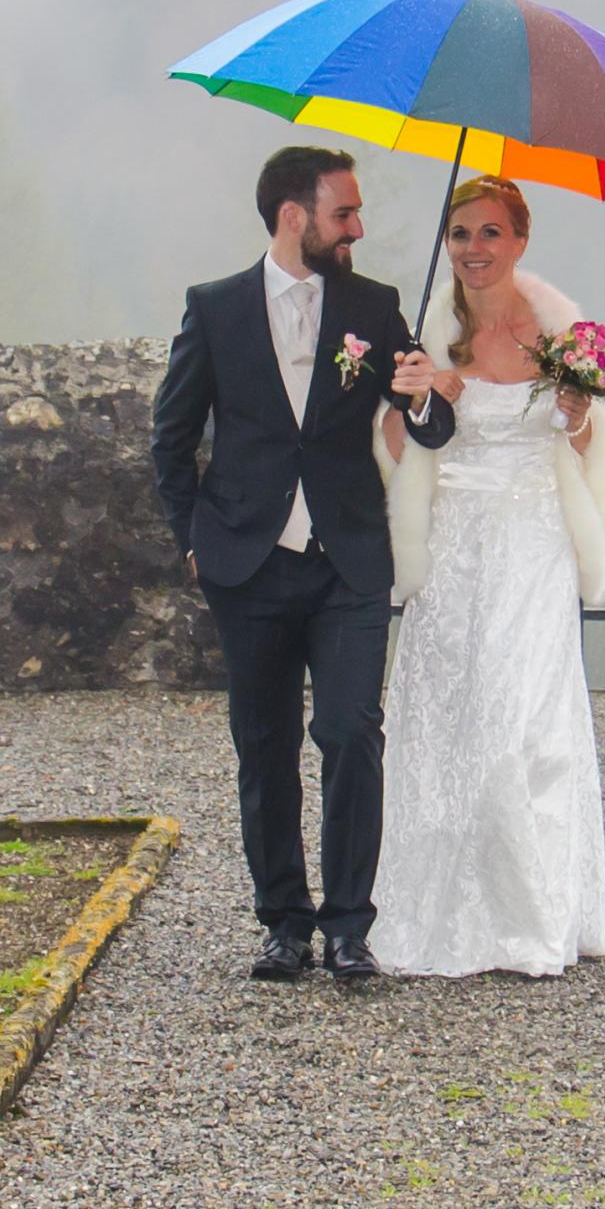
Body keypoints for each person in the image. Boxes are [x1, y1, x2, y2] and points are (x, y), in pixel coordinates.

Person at [150, 145, 457, 982]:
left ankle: (350, 926)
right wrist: (194, 540)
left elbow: (431, 428)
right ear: (295, 216)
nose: (357, 227)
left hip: (347, 562)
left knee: (352, 731)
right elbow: (170, 440)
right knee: (265, 745)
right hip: (246, 567)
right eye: (343, 212)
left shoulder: (374, 305)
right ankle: (283, 922)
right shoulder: (214, 309)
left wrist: (421, 393)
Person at [367, 174, 605, 978]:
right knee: (447, 708)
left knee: (522, 713)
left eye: (489, 232)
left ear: (519, 240)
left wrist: (579, 418)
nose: (473, 248)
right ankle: (436, 907)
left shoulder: (559, 336)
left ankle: (531, 912)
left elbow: (593, 447)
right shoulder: (429, 333)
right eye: (460, 233)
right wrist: (416, 398)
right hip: (453, 543)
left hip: (532, 542)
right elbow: (394, 449)